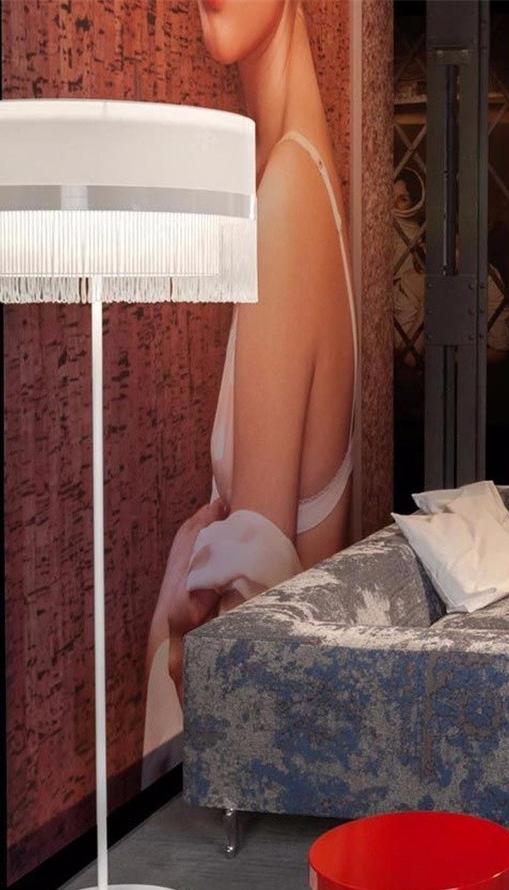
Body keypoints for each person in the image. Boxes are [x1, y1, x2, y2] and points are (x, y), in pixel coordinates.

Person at [142, 0, 357, 779]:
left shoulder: (289, 200)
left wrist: (172, 619)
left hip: (241, 777)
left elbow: (246, 646)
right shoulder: (298, 178)